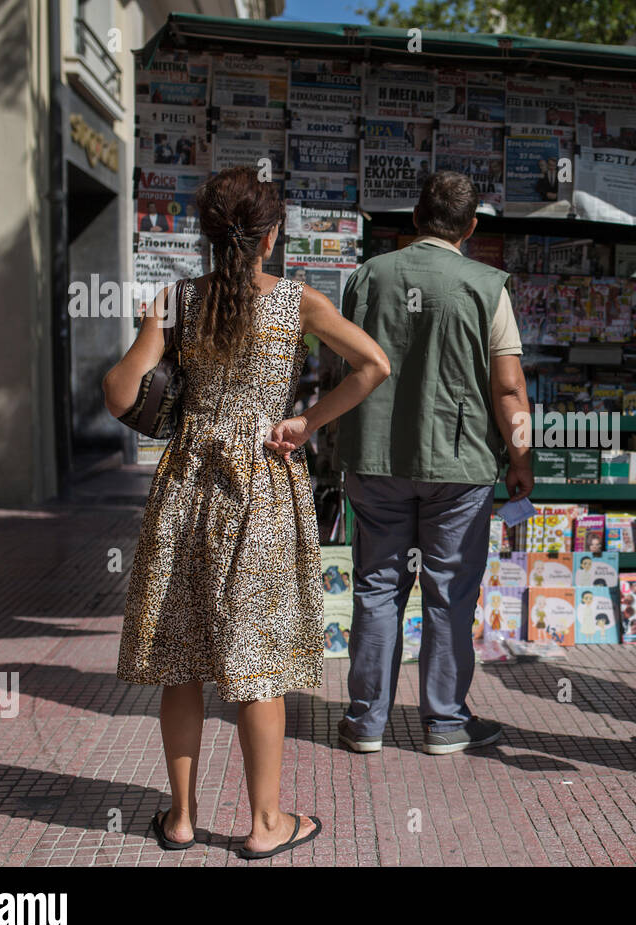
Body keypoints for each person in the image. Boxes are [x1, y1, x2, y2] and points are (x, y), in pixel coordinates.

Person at [104, 166, 390, 858]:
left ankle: (179, 818)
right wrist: (306, 422)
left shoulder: (173, 303)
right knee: (256, 662)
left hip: (187, 487)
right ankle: (265, 826)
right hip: (262, 484)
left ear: (208, 238)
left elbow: (119, 394)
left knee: (182, 657)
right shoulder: (298, 303)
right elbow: (374, 364)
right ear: (269, 239)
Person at [335, 170, 533, 756]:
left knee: (376, 587)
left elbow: (346, 363)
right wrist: (521, 457)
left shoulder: (368, 276)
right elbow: (508, 389)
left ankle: (366, 721)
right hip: (460, 464)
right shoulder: (486, 286)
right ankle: (445, 722)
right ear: (471, 227)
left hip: (375, 457)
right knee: (450, 593)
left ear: (416, 218)